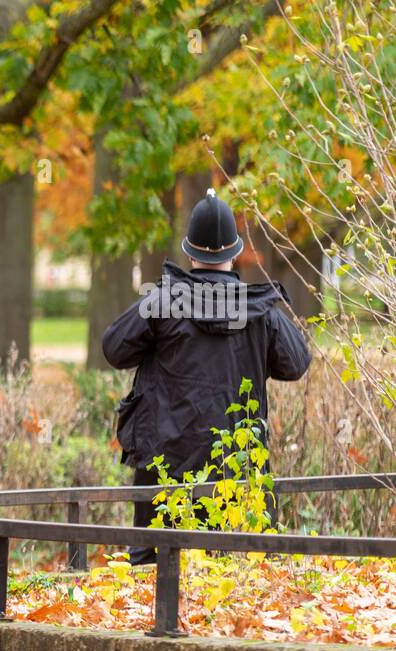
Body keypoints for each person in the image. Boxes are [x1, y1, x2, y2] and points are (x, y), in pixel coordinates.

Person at [103, 187, 312, 564]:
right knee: (238, 580)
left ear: (189, 251)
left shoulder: (163, 301)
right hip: (237, 475)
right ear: (235, 253)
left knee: (154, 581)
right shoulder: (260, 311)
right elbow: (296, 363)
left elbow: (114, 349)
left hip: (164, 479)